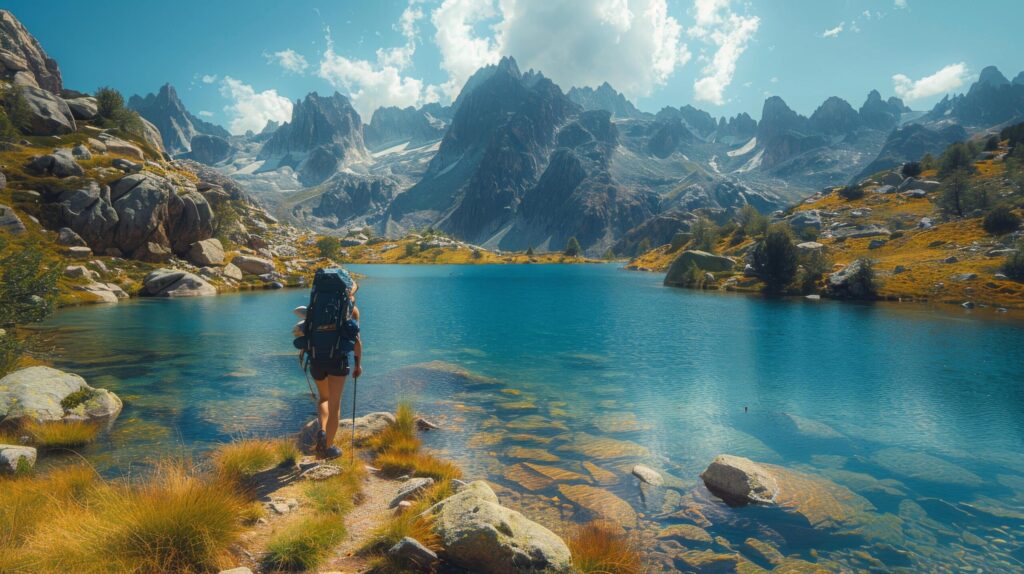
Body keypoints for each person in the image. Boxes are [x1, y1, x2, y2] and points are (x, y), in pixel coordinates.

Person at [307, 280, 362, 459]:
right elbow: (357, 342)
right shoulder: (351, 310)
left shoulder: (315, 306)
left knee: (324, 397)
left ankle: (322, 430)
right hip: (337, 361)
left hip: (316, 359)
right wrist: (358, 365)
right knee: (335, 404)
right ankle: (327, 448)